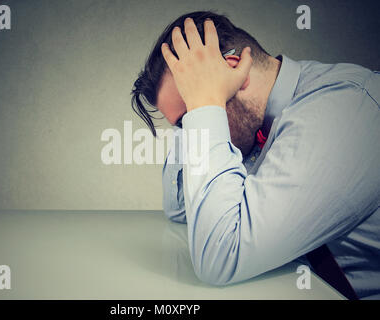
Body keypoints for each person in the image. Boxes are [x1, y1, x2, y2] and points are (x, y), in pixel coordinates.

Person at [131, 11, 380, 299]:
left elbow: (221, 257)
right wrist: (195, 111)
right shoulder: (252, 125)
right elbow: (179, 209)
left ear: (235, 72)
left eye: (192, 118)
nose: (191, 133)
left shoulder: (344, 111)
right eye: (184, 125)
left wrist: (203, 104)